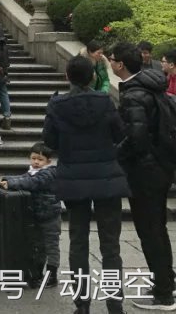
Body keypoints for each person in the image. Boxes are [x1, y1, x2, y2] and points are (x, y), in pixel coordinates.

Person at [43, 55, 128, 314]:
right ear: (93, 76)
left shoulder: (57, 104)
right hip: (106, 180)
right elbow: (120, 134)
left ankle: (82, 304)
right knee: (110, 243)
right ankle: (115, 303)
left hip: (74, 181)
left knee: (78, 241)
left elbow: (50, 142)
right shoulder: (105, 101)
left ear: (68, 76)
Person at [110, 43, 176, 311]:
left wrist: (116, 154)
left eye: (112, 59)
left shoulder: (135, 95)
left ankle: (163, 294)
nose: (110, 63)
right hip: (160, 167)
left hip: (145, 172)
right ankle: (165, 282)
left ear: (121, 65)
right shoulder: (153, 87)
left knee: (150, 230)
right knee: (157, 228)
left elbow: (135, 138)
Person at [0, 142, 61, 288]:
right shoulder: (32, 171)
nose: (36, 162)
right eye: (33, 158)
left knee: (51, 246)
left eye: (40, 160)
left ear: (48, 162)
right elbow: (24, 178)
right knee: (38, 245)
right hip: (37, 215)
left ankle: (52, 275)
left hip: (50, 216)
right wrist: (7, 179)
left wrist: (12, 184)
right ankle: (37, 272)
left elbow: (33, 183)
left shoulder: (49, 173)